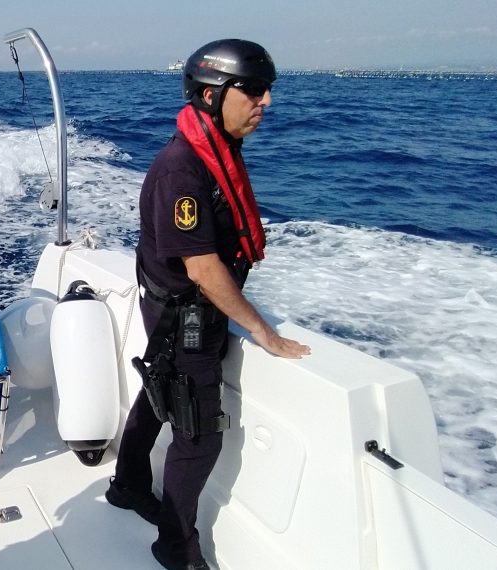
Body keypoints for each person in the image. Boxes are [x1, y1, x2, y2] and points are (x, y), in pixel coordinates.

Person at [106, 39, 311, 570]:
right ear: (210, 94)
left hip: (178, 309)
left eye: (268, 90)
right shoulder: (183, 172)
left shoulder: (214, 151)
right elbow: (202, 268)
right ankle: (176, 545)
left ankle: (127, 485)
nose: (266, 102)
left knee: (159, 387)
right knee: (197, 436)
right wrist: (265, 334)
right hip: (186, 314)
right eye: (254, 90)